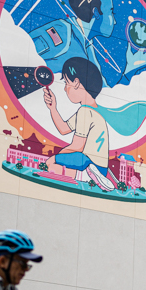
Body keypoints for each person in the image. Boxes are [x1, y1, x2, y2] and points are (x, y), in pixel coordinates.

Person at [43, 57, 114, 190]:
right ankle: (88, 176)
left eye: (66, 83)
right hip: (100, 167)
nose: (65, 89)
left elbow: (77, 146)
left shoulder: (85, 112)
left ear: (76, 82)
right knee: (54, 165)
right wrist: (53, 108)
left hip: (87, 161)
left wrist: (57, 157)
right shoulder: (92, 110)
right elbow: (64, 129)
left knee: (51, 164)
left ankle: (87, 176)